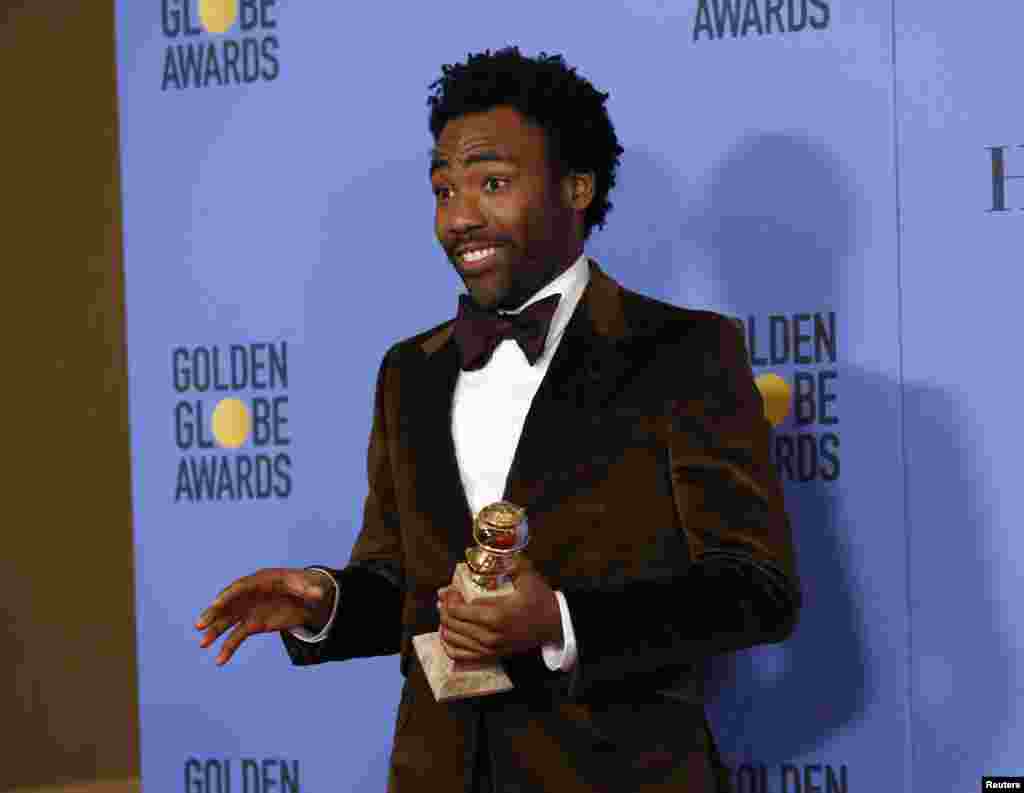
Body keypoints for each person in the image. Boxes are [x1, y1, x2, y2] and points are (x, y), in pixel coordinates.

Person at [195, 47, 801, 793]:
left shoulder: (684, 353)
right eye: (444, 189)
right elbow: (408, 583)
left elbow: (755, 588)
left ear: (578, 187)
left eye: (492, 183)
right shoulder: (407, 372)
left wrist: (561, 621)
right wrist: (328, 602)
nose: (460, 217)